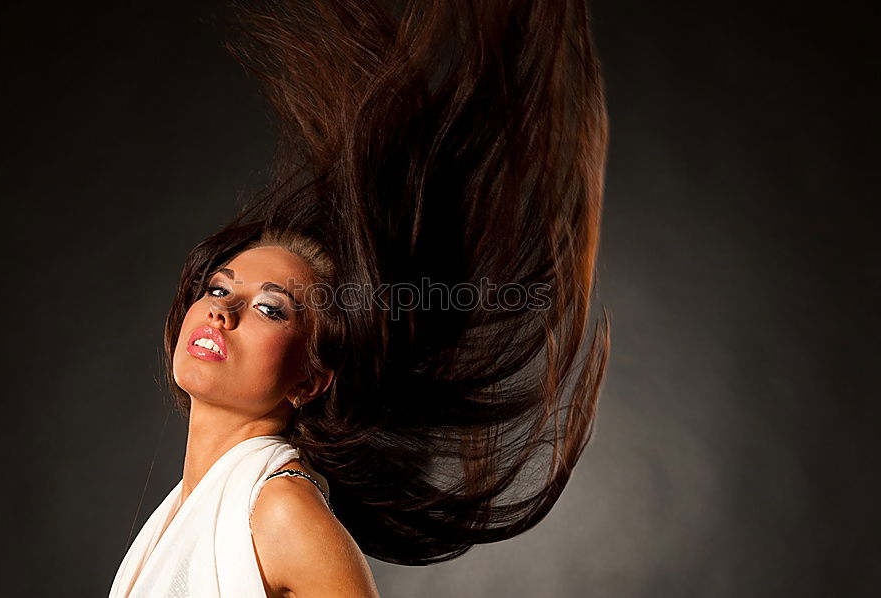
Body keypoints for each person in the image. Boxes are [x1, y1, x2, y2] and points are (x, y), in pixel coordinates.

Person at [110, 0, 610, 596]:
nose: (222, 309)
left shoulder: (280, 513)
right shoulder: (188, 512)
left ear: (311, 379)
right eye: (219, 288)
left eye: (271, 308)